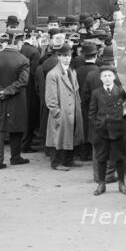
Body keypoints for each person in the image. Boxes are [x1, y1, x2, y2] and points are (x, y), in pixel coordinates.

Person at [0, 31, 30, 169]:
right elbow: (23, 81)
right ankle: (15, 157)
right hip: (16, 98)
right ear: (18, 43)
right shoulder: (23, 59)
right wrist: (8, 91)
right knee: (17, 127)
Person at [88, 66, 126, 196]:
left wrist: (123, 117)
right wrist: (98, 124)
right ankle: (101, 184)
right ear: (100, 78)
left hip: (117, 130)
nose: (107, 78)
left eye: (109, 75)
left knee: (120, 158)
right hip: (102, 131)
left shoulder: (121, 91)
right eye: (104, 76)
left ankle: (122, 183)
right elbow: (91, 112)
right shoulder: (96, 93)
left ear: (114, 77)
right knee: (101, 157)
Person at [45, 42, 84, 170]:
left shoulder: (71, 71)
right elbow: (51, 98)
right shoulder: (53, 74)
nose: (67, 58)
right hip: (62, 111)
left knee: (70, 136)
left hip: (72, 109)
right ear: (59, 57)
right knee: (59, 137)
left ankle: (68, 160)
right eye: (64, 56)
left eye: (69, 55)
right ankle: (56, 163)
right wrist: (57, 112)